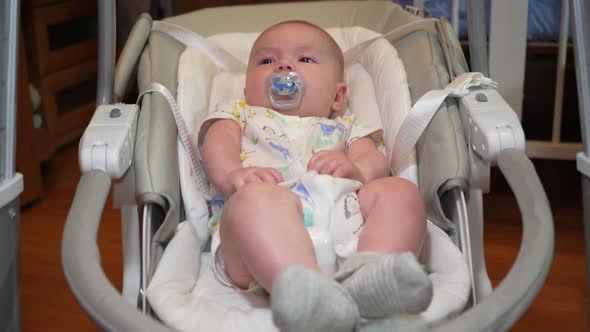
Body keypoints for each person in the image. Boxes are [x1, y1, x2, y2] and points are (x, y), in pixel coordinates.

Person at [198, 20, 432, 332]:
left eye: (304, 59)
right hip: (258, 237)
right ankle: (305, 294)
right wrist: (232, 175)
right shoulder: (238, 113)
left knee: (399, 190)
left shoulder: (345, 125)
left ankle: (372, 274)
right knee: (255, 200)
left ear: (338, 97)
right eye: (267, 61)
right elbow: (217, 144)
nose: (284, 66)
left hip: (344, 224)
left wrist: (358, 169)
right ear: (247, 89)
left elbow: (374, 160)